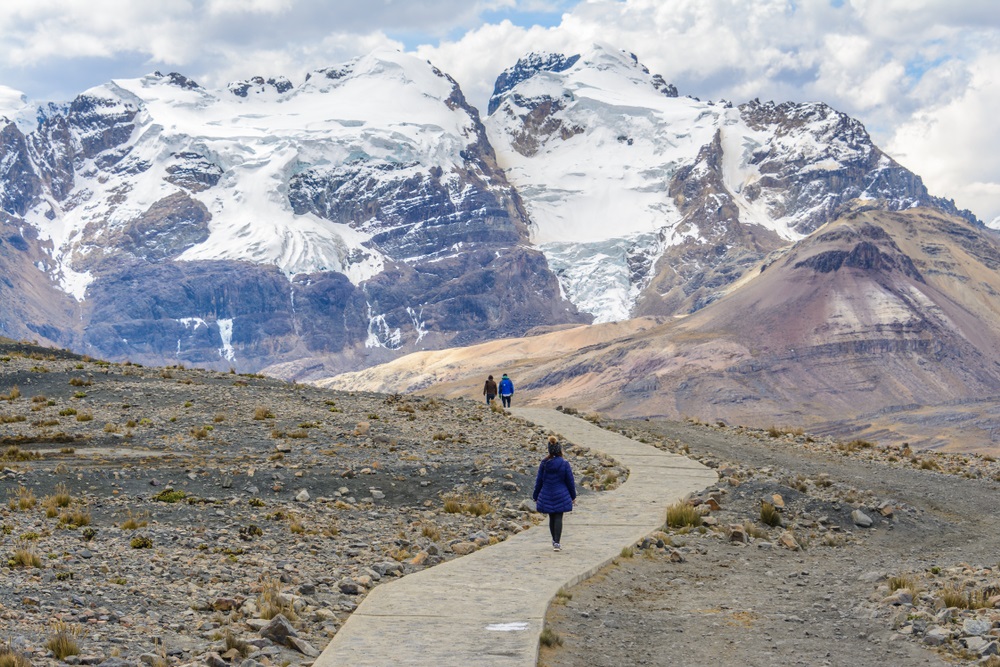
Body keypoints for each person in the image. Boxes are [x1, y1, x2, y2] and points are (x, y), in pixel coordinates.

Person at [532, 436, 576, 551]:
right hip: (561, 493)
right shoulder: (564, 463)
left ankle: (554, 540)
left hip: (547, 493)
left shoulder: (544, 463)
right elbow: (570, 481)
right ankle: (557, 542)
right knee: (558, 517)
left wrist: (535, 495)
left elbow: (539, 481)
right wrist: (573, 496)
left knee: (551, 517)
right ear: (559, 449)